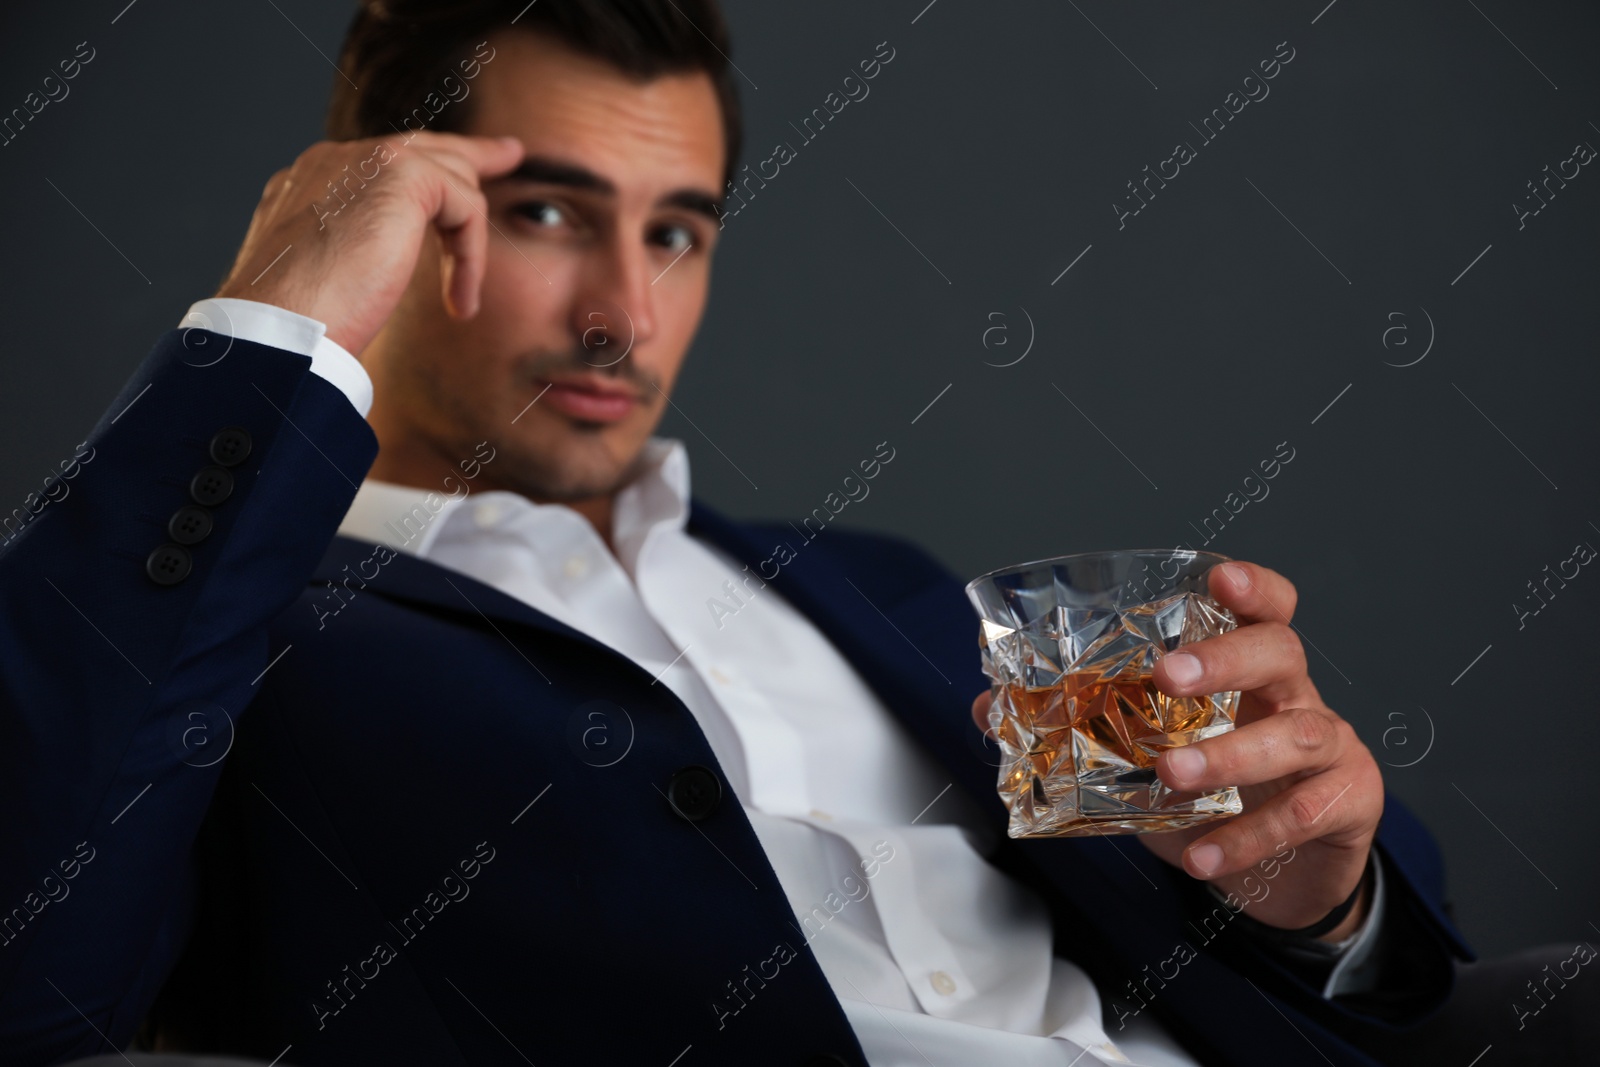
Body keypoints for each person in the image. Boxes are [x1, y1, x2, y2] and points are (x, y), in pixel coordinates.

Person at [0, 2, 1590, 1064]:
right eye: (547, 211)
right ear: (371, 206)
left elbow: (1387, 974)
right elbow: (31, 955)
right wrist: (275, 327)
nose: (625, 312)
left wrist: (1320, 892)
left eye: (676, 231)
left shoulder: (877, 589)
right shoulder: (212, 616)